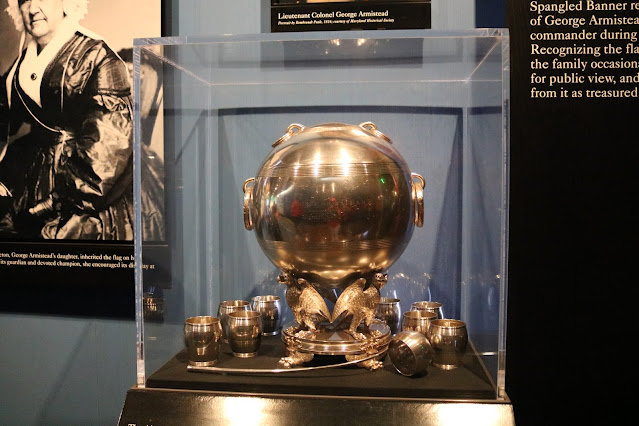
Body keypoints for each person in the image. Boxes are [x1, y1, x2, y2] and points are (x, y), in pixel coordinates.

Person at [0, 0, 135, 239]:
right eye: (24, 0)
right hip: (31, 174)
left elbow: (109, 147)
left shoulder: (98, 56)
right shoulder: (21, 64)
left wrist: (55, 202)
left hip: (82, 185)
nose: (32, 9)